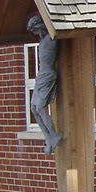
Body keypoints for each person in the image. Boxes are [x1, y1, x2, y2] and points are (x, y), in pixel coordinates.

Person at [26, 14, 62, 154]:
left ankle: (54, 135)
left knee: (40, 108)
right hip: (41, 75)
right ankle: (49, 138)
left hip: (47, 75)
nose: (35, 33)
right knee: (33, 109)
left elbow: (56, 27)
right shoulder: (42, 41)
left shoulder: (51, 39)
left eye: (35, 30)